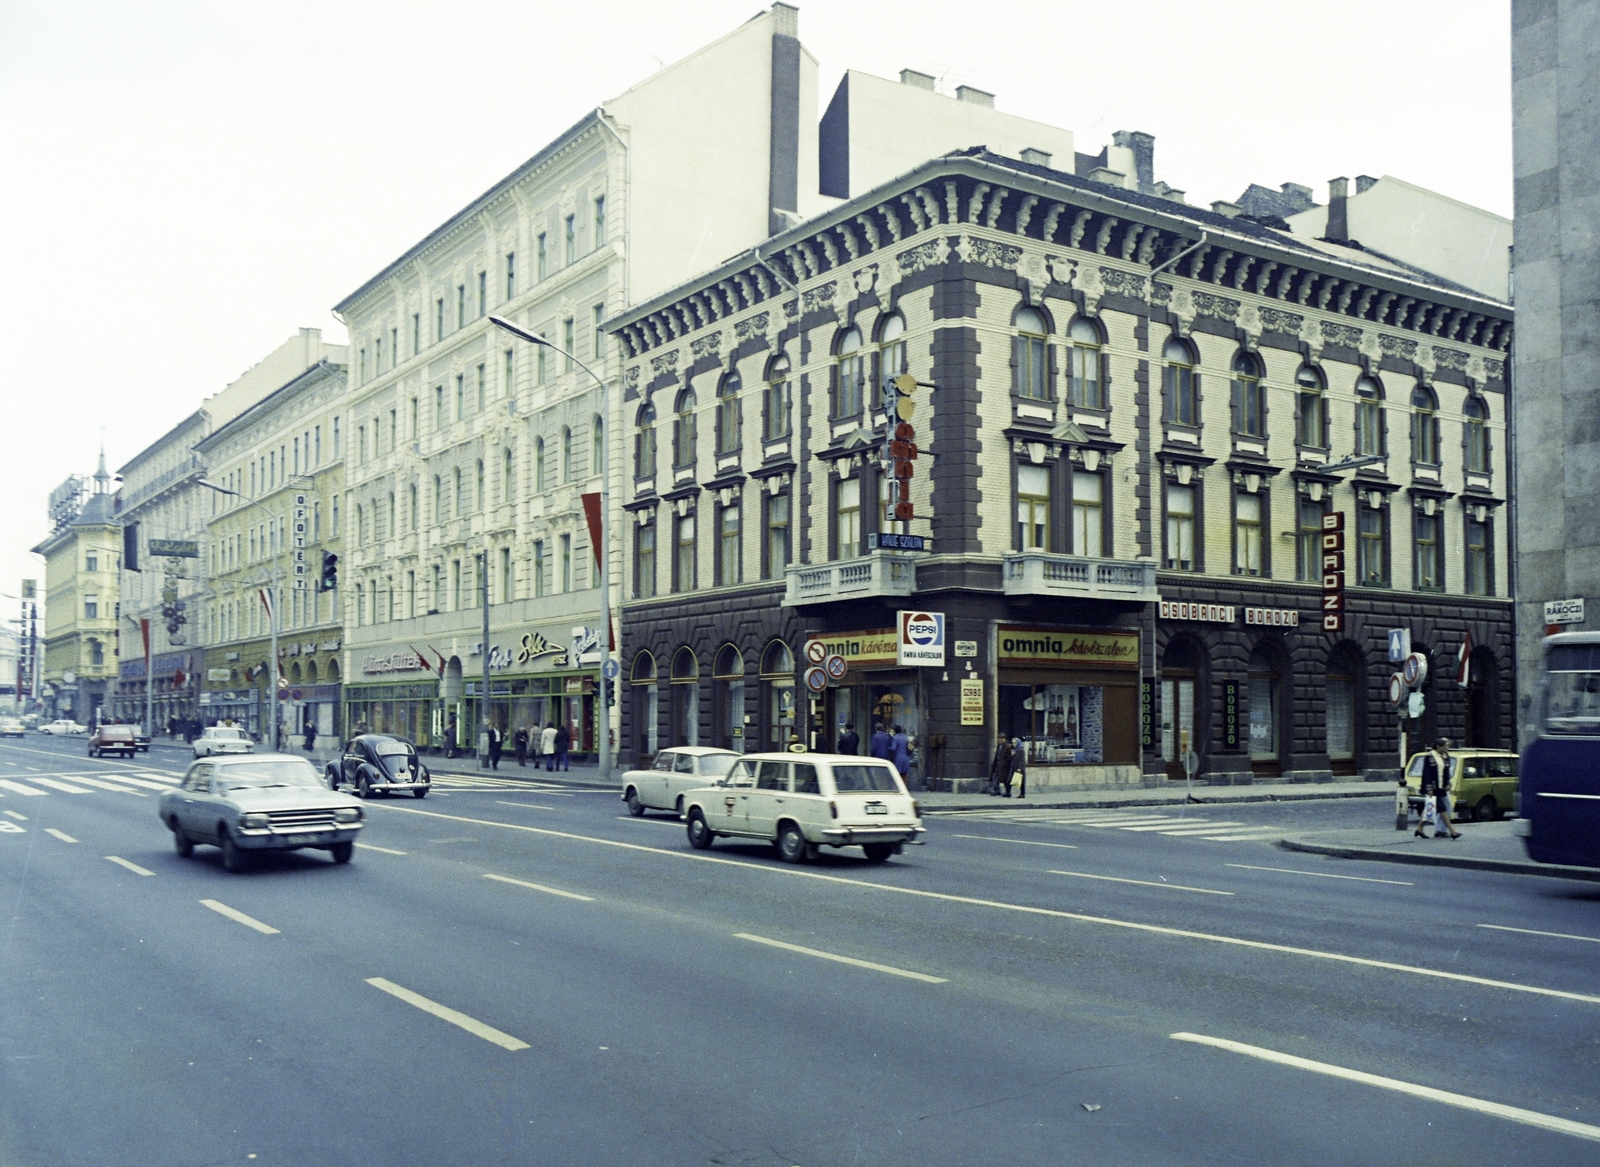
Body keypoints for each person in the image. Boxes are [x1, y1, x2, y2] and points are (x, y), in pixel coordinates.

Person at [1416, 737, 1461, 839]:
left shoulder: (1445, 756)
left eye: (1448, 746)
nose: (1447, 748)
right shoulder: (1430, 757)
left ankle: (1420, 828)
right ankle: (1452, 831)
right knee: (1442, 809)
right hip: (1434, 788)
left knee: (1429, 809)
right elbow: (1426, 774)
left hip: (1441, 788)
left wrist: (1448, 783)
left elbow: (1446, 772)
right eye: (1445, 746)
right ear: (1438, 746)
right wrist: (1429, 789)